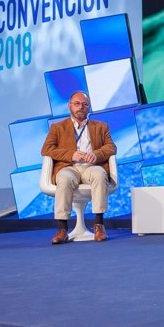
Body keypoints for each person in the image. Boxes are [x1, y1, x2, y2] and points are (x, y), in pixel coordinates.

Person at [41, 91, 117, 244]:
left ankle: (99, 225)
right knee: (64, 178)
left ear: (88, 107)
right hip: (69, 167)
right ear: (70, 106)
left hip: (91, 166)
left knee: (100, 173)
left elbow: (111, 147)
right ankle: (62, 229)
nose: (80, 107)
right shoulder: (57, 127)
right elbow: (47, 149)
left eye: (84, 104)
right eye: (77, 103)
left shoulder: (101, 127)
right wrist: (71, 155)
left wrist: (96, 154)